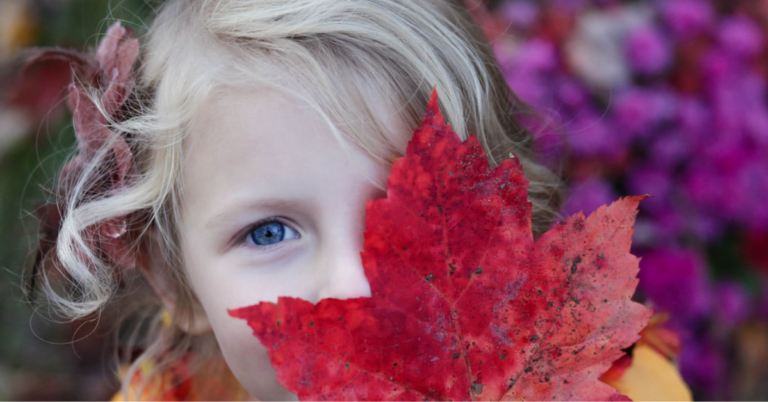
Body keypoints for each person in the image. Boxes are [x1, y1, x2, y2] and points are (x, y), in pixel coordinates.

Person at [22, 0, 690, 401]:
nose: (354, 285)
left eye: (407, 212)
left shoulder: (611, 386)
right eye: (268, 233)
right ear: (176, 282)